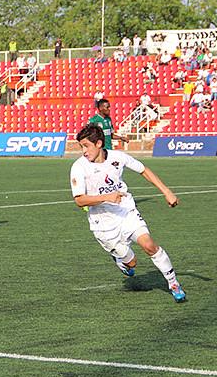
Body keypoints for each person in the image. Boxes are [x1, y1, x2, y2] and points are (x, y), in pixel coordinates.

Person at [70, 124, 186, 302]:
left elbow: (143, 170)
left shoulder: (118, 157)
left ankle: (173, 284)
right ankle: (120, 259)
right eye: (81, 147)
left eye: (86, 146)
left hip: (126, 211)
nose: (83, 151)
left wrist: (167, 191)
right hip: (102, 223)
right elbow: (79, 200)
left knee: (149, 245)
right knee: (131, 263)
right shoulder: (79, 167)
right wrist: (107, 196)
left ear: (99, 143)